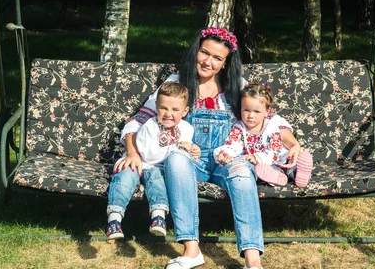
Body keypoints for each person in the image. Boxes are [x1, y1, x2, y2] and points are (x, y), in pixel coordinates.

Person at [115, 27, 303, 269]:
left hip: (227, 156)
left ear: (225, 63)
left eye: (217, 58)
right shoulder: (176, 83)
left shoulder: (237, 85)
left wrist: (294, 143)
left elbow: (272, 120)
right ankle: (191, 250)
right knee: (175, 159)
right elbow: (138, 120)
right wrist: (132, 151)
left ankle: (252, 261)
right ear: (196, 51)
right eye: (205, 53)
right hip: (190, 159)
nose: (208, 62)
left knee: (243, 172)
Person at [106, 81, 199, 240]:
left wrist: (192, 150)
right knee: (124, 179)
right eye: (163, 108)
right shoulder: (150, 125)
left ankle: (158, 217)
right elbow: (148, 154)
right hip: (138, 161)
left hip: (158, 168)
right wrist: (178, 146)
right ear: (156, 106)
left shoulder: (186, 129)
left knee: (158, 181)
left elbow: (181, 156)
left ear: (185, 111)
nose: (168, 114)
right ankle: (114, 219)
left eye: (175, 109)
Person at [213, 83, 313, 188]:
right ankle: (279, 178)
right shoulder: (239, 127)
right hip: (266, 167)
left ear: (267, 112)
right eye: (246, 110)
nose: (250, 115)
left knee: (290, 169)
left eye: (256, 111)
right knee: (263, 171)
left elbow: (274, 152)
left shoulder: (271, 127)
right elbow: (233, 144)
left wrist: (256, 158)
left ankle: (302, 172)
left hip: (282, 160)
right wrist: (225, 153)